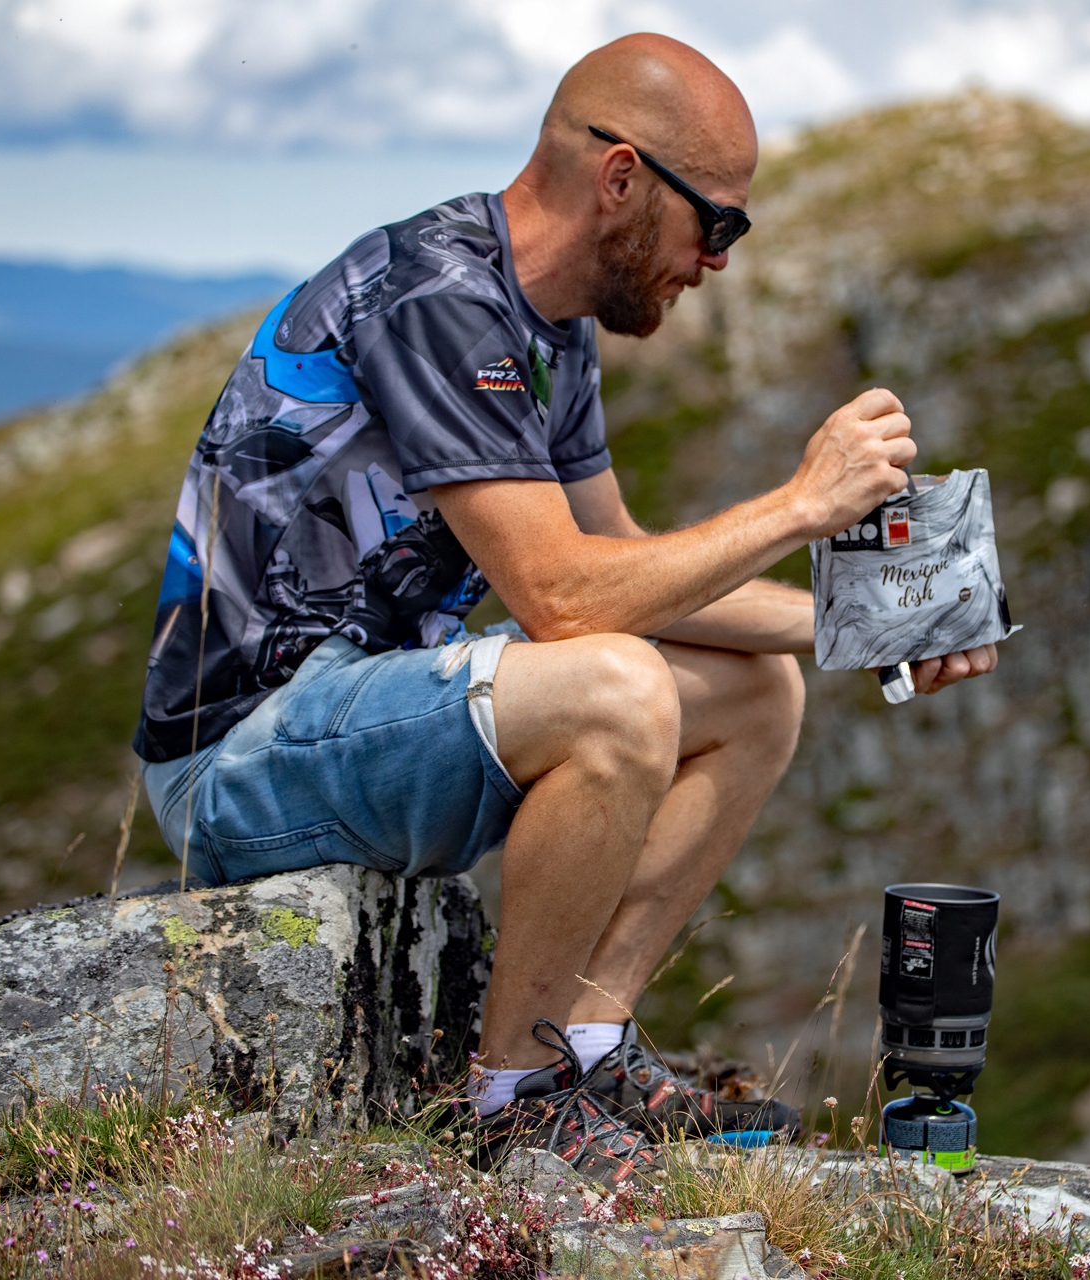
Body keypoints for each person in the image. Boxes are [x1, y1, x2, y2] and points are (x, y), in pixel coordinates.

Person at [131, 33, 998, 1181]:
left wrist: (886, 625)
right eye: (718, 222)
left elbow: (622, 563)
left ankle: (589, 1041)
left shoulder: (552, 330)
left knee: (755, 692)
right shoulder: (437, 296)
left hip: (361, 716)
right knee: (616, 687)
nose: (718, 259)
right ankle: (514, 1098)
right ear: (623, 177)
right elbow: (561, 598)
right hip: (236, 762)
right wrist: (802, 504)